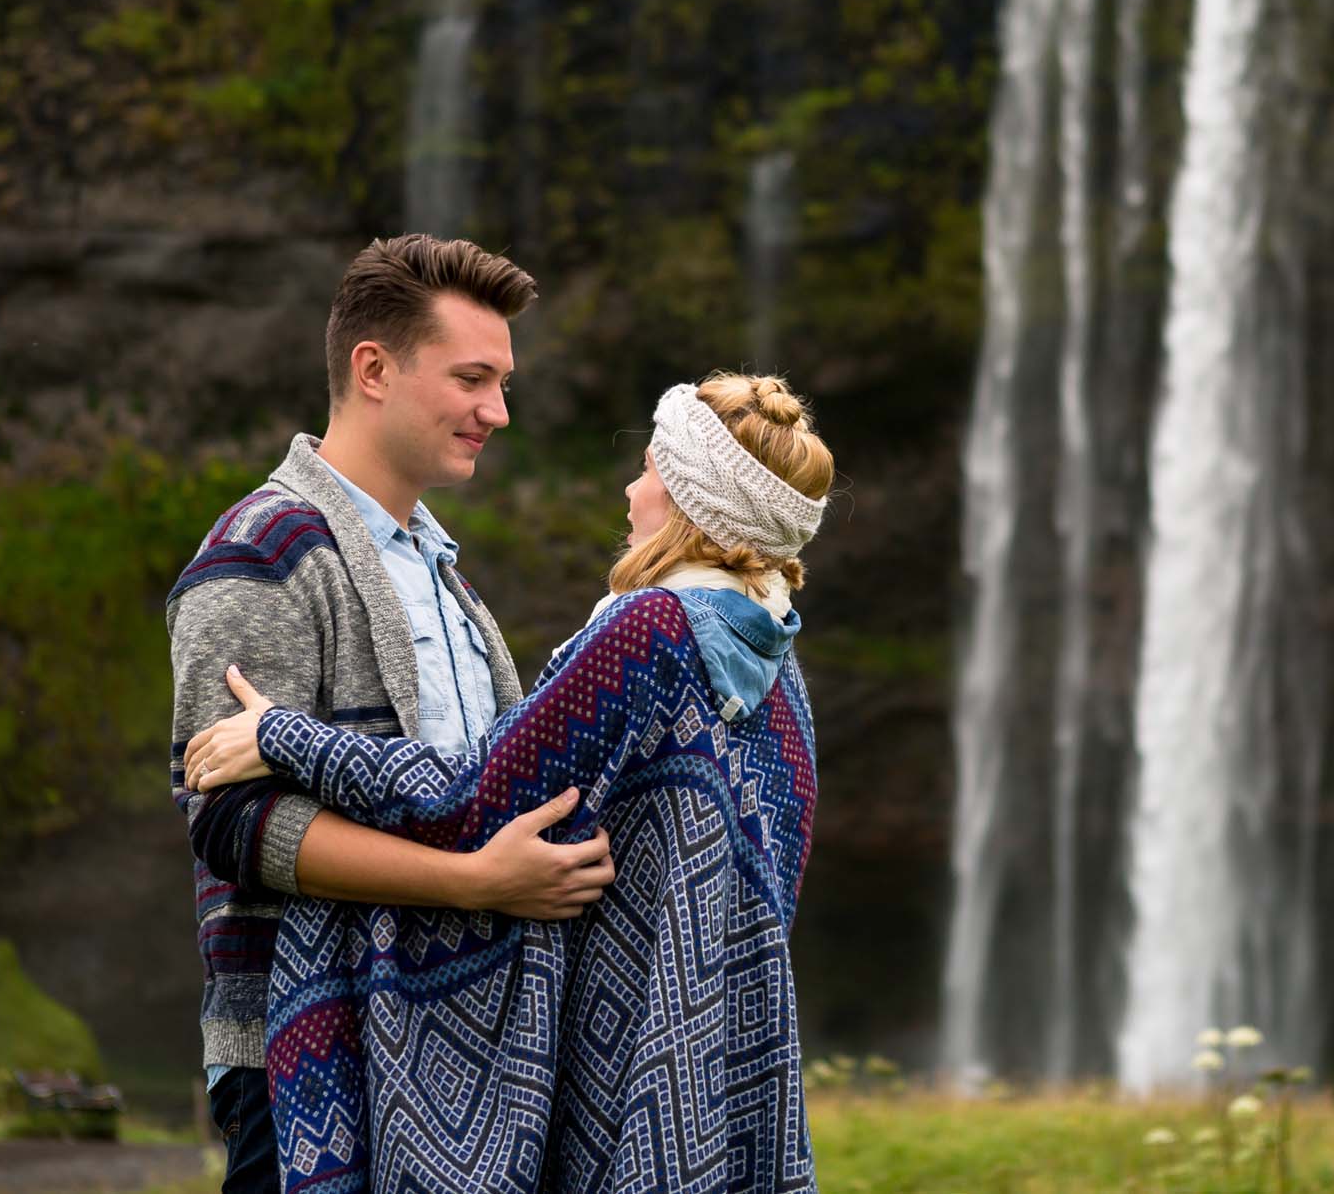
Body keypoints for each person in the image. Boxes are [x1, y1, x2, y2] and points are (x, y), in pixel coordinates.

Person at [185, 372, 833, 1194]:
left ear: (689, 503)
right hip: (727, 1063)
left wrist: (282, 735)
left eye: (648, 472)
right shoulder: (781, 679)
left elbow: (473, 798)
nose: (631, 491)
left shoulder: (648, 630)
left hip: (623, 1066)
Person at [166, 235, 617, 1194]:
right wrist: (473, 882)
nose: (497, 410)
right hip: (297, 1057)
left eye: (502, 382)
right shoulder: (260, 551)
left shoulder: (444, 577)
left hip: (444, 1040)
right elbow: (226, 820)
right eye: (472, 377)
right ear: (373, 368)